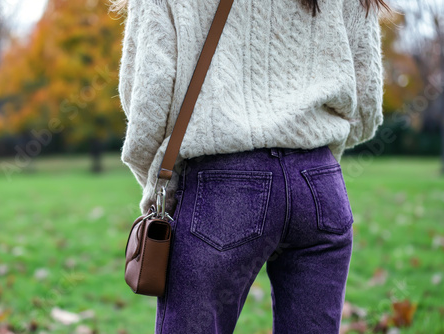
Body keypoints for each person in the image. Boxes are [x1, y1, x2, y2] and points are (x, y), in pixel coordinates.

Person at [110, 0, 390, 332]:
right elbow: (367, 103)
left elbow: (148, 100)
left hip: (221, 190)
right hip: (319, 185)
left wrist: (159, 187)